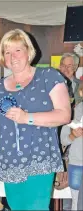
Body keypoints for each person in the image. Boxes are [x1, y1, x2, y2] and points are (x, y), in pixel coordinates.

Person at [0, 29, 71, 210]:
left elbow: (64, 114)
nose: (12, 56)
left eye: (18, 50)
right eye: (7, 52)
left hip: (39, 158)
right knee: (16, 207)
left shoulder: (48, 76)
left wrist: (27, 117)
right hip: (9, 160)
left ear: (29, 51)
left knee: (36, 207)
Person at [59, 52, 82, 211]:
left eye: (70, 66)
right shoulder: (52, 84)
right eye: (63, 65)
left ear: (75, 68)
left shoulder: (79, 86)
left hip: (76, 142)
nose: (66, 69)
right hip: (61, 133)